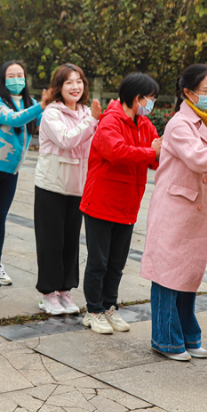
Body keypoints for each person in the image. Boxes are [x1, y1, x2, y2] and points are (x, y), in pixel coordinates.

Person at [140, 65, 207, 359]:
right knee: (168, 274)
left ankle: (188, 336)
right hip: (175, 210)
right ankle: (166, 339)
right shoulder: (180, 124)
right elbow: (199, 158)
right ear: (189, 93)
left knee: (188, 275)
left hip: (196, 212)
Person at [80, 73, 161, 334]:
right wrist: (152, 152)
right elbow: (117, 152)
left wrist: (157, 154)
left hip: (127, 206)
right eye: (150, 98)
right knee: (98, 262)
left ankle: (109, 306)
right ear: (137, 98)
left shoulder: (145, 124)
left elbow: (155, 158)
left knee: (116, 262)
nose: (152, 103)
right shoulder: (110, 121)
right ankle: (93, 310)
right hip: (102, 203)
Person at [0, 61, 49, 282]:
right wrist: (41, 106)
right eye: (11, 76)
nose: (17, 80)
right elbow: (14, 118)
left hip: (10, 172)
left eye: (20, 75)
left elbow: (45, 122)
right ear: (3, 80)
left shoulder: (31, 103)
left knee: (1, 218)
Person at [34, 64, 100, 314]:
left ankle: (65, 291)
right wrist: (92, 121)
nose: (75, 86)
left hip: (78, 188)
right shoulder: (52, 113)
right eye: (69, 82)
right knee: (51, 241)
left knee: (71, 242)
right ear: (59, 87)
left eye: (79, 81)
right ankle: (48, 294)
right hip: (51, 186)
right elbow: (67, 139)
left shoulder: (86, 112)